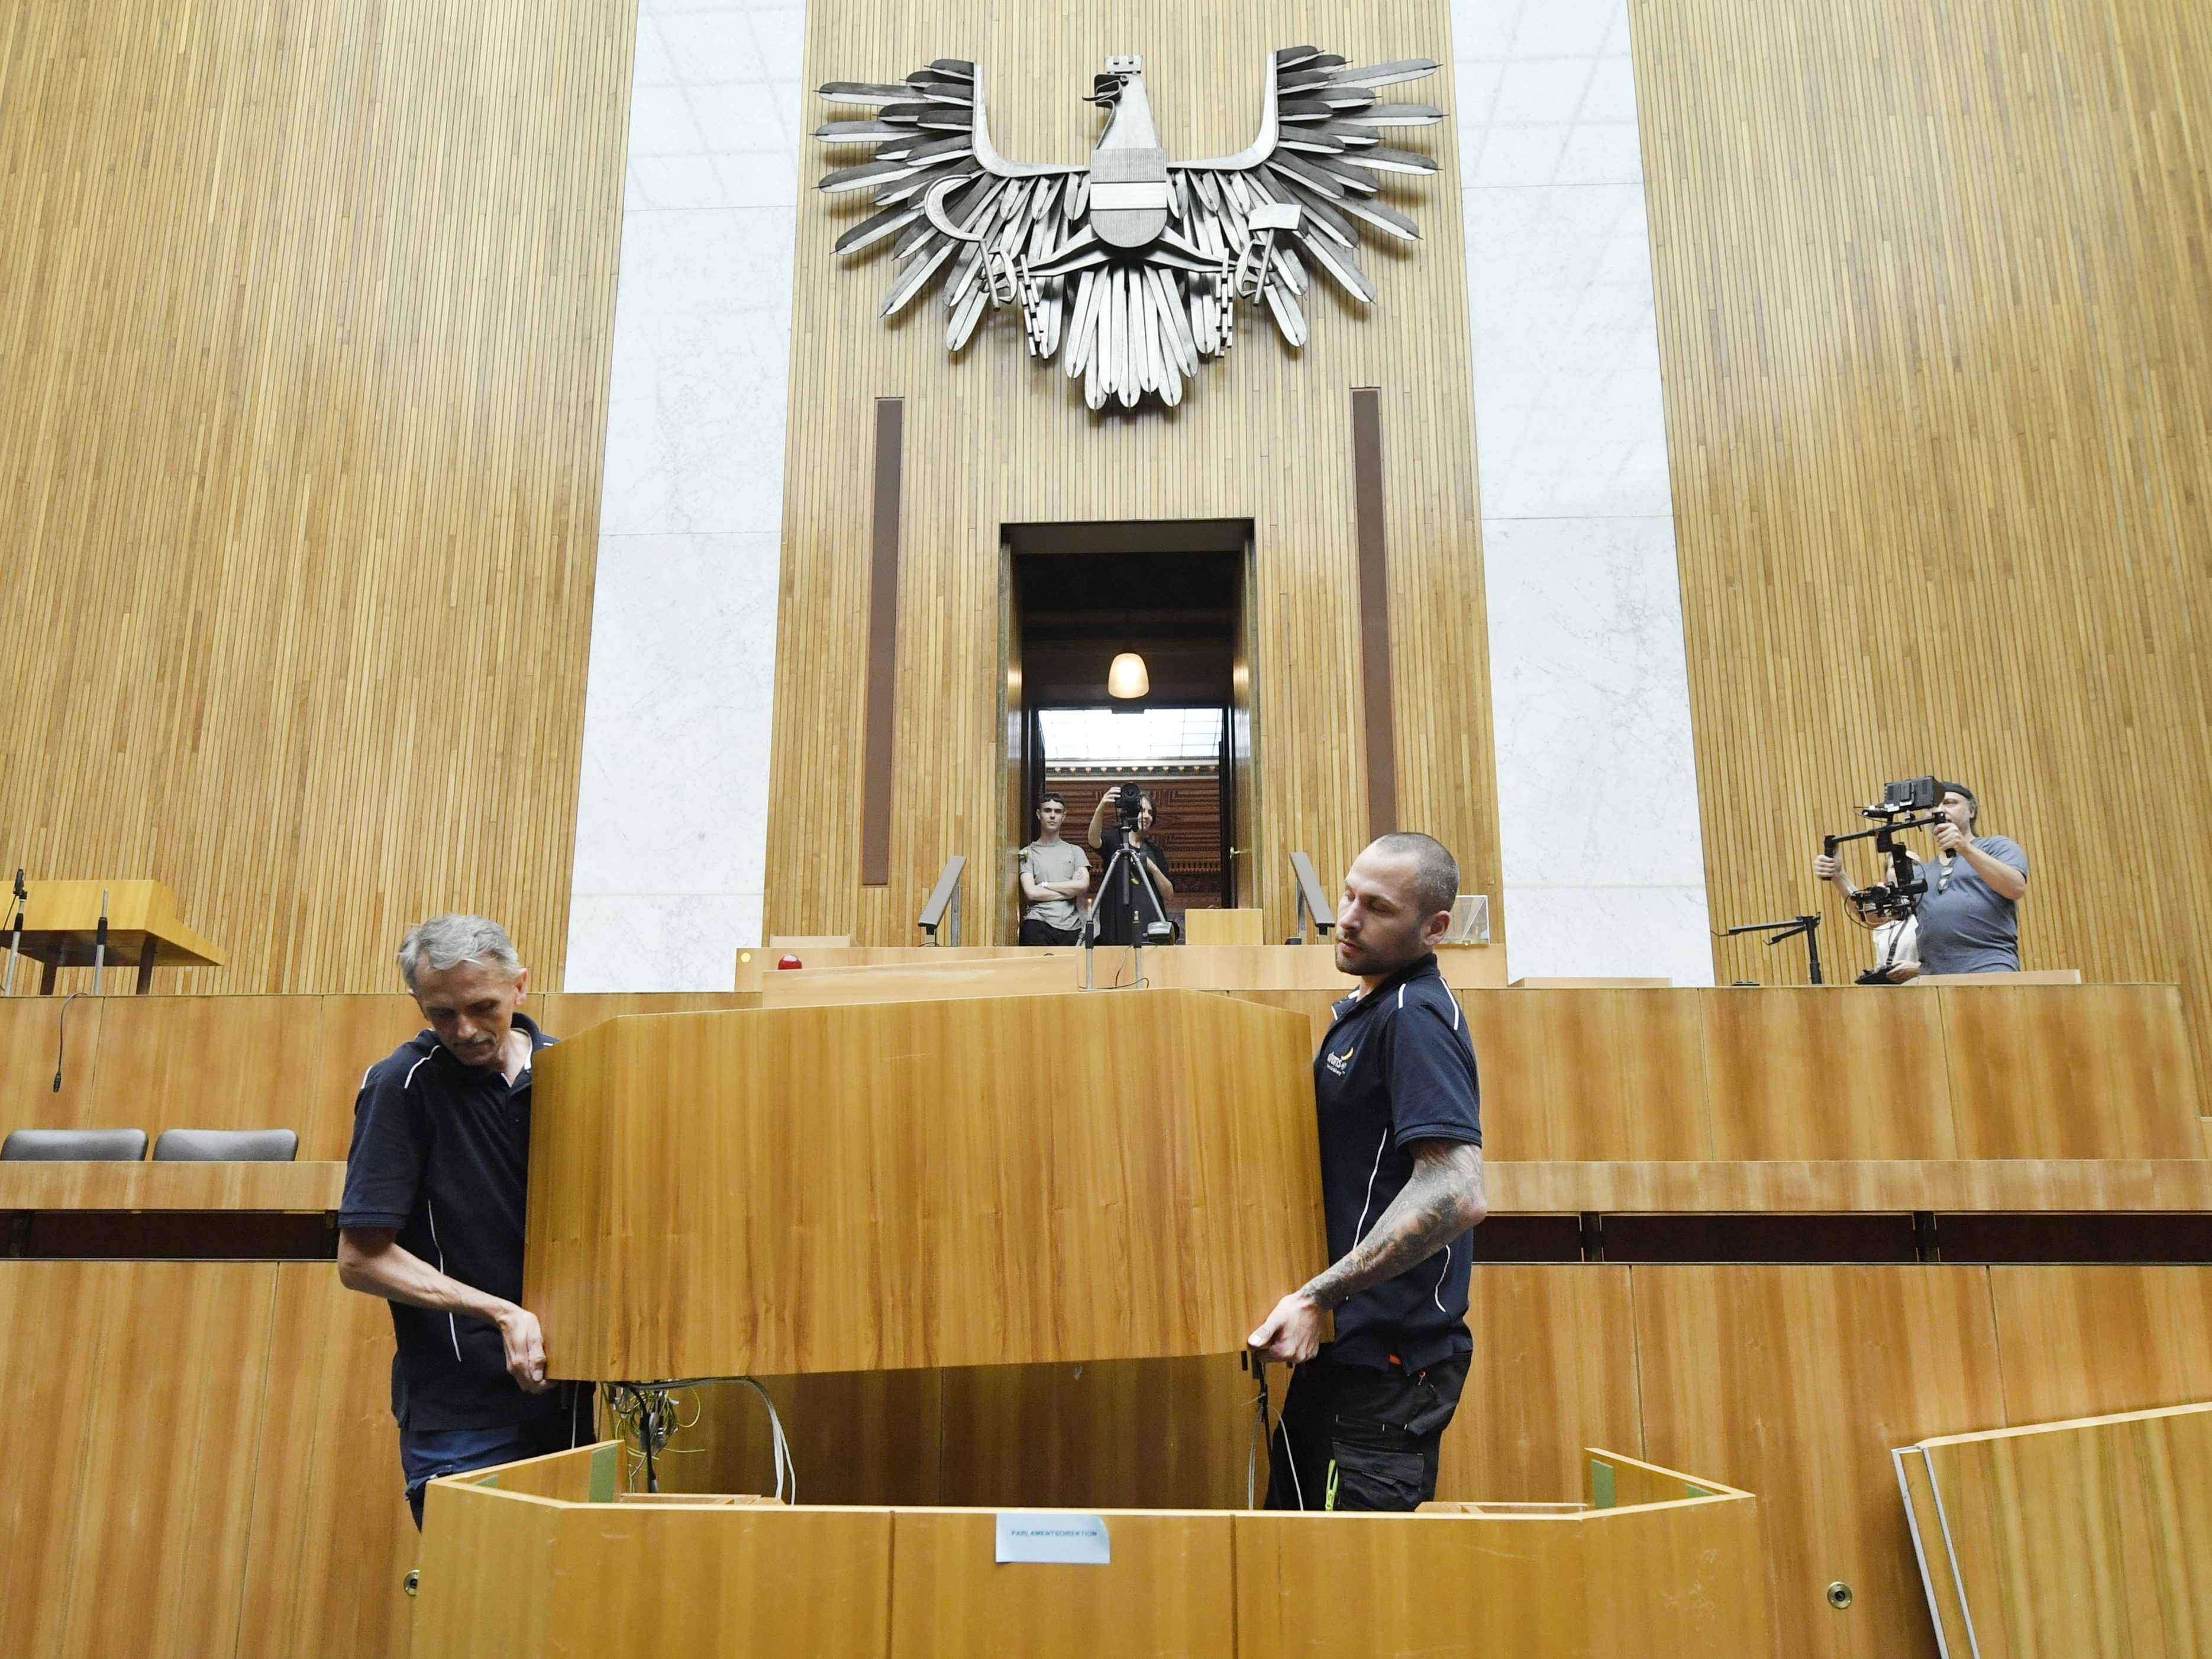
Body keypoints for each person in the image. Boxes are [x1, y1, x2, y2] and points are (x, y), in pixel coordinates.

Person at [1248, 832, 1487, 1510]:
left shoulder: (1415, 1018)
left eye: (1377, 906)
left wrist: (1317, 1296)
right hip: (1341, 1349)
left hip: (1388, 1362)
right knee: (1296, 1564)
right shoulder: (1369, 1009)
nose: (1348, 917)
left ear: (1433, 926)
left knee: (1357, 1589)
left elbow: (1456, 1190)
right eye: (1348, 894)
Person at [335, 915, 587, 1527]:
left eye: (483, 1006)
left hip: (579, 1404)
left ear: (521, 986)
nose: (465, 1029)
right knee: (483, 1612)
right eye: (441, 1013)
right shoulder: (403, 1083)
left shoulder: (575, 1070)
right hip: (464, 1415)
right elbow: (361, 1257)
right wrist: (500, 1311)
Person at [1814, 780, 2029, 976]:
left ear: (1972, 811)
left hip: (1990, 969)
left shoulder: (1996, 847)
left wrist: (1965, 848)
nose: (1940, 810)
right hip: (1934, 978)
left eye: (1950, 803)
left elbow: (2015, 888)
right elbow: (1875, 917)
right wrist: (1839, 876)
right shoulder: (1921, 873)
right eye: (1933, 806)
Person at [1086, 784, 1175, 944]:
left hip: (1151, 925)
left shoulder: (1155, 851)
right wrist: (1101, 808)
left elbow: (1169, 895)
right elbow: (1093, 841)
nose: (1147, 816)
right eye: (1142, 810)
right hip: (1118, 925)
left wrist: (1153, 868)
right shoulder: (1115, 840)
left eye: (1150, 813)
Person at [1018, 794, 1091, 945]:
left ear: (1064, 816)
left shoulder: (1075, 851)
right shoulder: (1028, 853)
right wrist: (1069, 889)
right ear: (1039, 814)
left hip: (1071, 926)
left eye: (1057, 812)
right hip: (1037, 923)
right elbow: (1031, 892)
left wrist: (1045, 885)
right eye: (1048, 811)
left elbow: (1083, 886)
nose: (1052, 816)